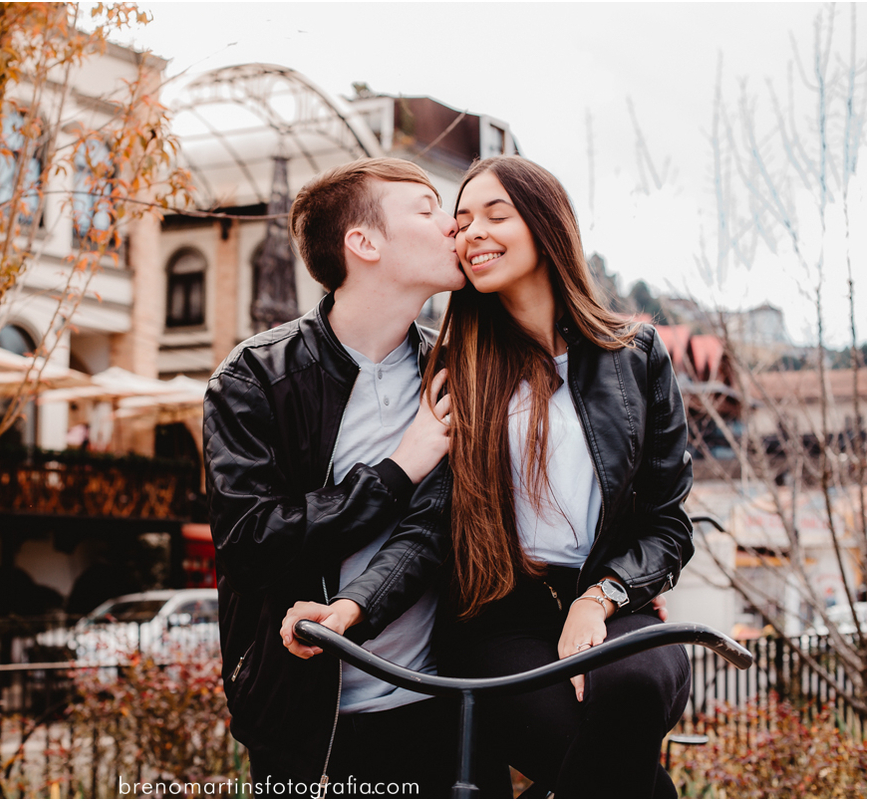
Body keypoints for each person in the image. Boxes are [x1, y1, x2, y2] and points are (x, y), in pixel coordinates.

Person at [430, 155, 694, 798]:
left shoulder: (634, 355)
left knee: (632, 685)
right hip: (498, 617)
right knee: (619, 775)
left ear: (548, 227)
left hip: (613, 596)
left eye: (496, 214)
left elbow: (668, 524)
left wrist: (598, 598)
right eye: (461, 222)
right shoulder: (450, 364)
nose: (473, 234)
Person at [205, 157, 464, 798]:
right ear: (364, 242)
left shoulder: (456, 372)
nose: (454, 224)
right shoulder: (254, 379)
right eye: (428, 210)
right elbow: (249, 540)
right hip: (302, 717)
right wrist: (398, 470)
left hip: (441, 704)